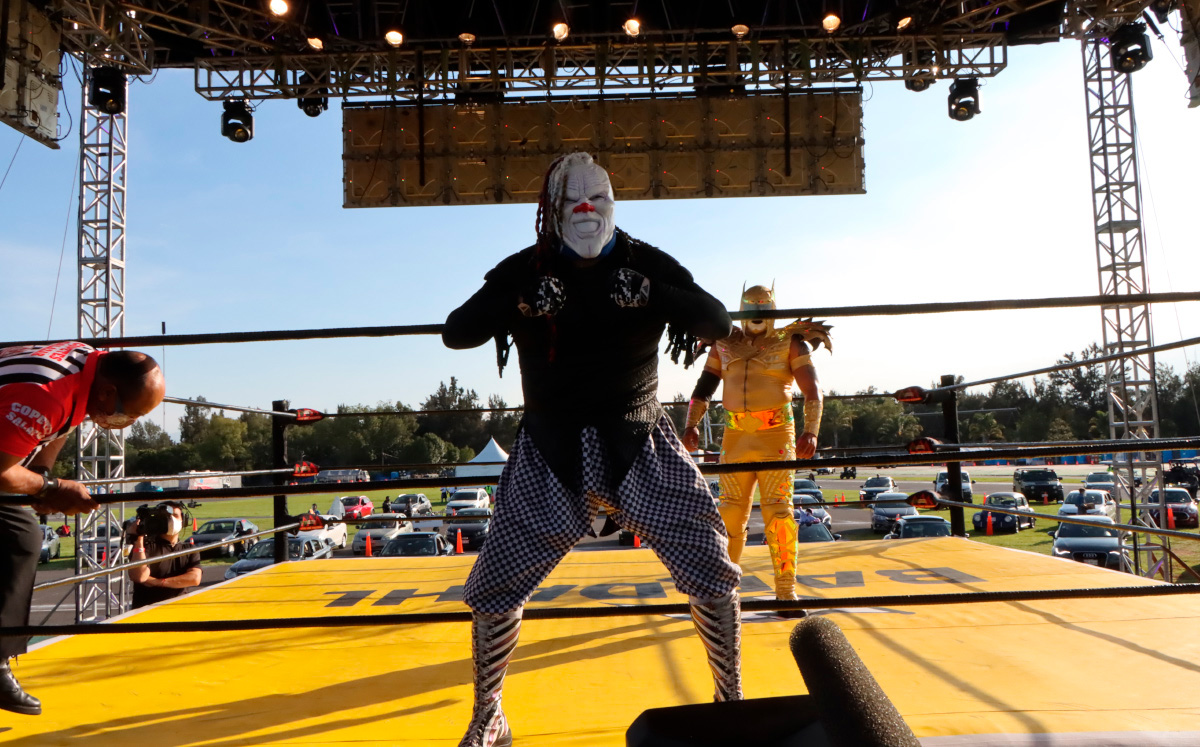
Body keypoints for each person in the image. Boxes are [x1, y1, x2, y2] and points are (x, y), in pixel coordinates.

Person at [443, 152, 742, 747]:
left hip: (638, 437)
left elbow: (716, 320)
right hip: (550, 445)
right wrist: (521, 300)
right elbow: (458, 330)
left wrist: (651, 292)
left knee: (711, 566)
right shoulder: (524, 267)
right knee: (496, 584)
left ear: (612, 203)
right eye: (571, 199)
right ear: (549, 211)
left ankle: (729, 703)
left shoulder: (643, 260)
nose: (585, 209)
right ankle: (489, 715)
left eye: (596, 198)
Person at [0, 342, 165, 715]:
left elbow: (66, 417)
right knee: (19, 539)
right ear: (107, 392)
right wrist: (52, 488)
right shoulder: (45, 394)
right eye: (130, 413)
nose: (130, 423)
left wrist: (41, 475)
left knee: (21, 536)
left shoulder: (87, 363)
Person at [683, 285, 830, 601]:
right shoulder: (723, 344)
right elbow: (703, 388)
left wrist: (811, 431)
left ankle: (786, 590)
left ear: (773, 308)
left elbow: (813, 391)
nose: (758, 313)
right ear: (741, 308)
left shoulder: (791, 343)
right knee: (730, 514)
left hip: (776, 435)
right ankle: (724, 590)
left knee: (779, 513)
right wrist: (691, 425)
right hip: (735, 437)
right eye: (751, 306)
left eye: (764, 306)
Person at [127, 501, 202, 609]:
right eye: (166, 516)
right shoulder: (146, 547)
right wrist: (139, 539)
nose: (171, 519)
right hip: (147, 613)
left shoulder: (189, 549)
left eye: (175, 515)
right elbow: (140, 576)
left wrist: (157, 582)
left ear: (183, 520)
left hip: (179, 611)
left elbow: (194, 579)